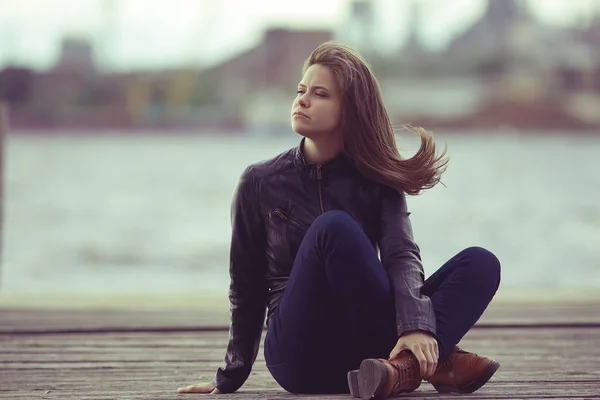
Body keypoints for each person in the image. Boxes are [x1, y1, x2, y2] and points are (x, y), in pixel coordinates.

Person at [177, 42, 501, 399]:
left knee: (480, 263)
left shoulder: (378, 179)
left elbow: (401, 258)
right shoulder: (258, 182)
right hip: (299, 357)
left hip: (366, 357)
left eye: (319, 94)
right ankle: (431, 363)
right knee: (333, 229)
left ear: (350, 110)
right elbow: (245, 288)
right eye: (301, 90)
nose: (302, 100)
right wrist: (229, 377)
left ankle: (399, 370)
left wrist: (416, 327)